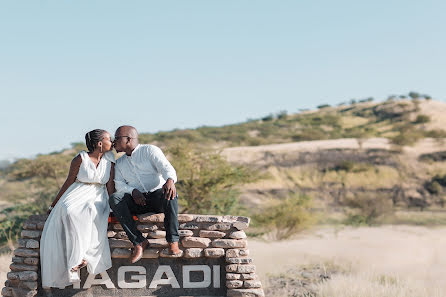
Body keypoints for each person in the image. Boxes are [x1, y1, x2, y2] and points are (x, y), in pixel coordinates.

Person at [40, 129, 115, 289]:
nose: (112, 141)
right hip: (77, 192)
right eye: (109, 139)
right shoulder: (80, 159)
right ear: (100, 143)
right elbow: (68, 182)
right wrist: (53, 204)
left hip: (99, 195)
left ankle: (84, 256)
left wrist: (115, 206)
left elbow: (110, 186)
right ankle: (77, 258)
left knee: (91, 210)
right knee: (69, 211)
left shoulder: (110, 161)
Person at [109, 125, 180, 264]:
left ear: (128, 139)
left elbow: (166, 167)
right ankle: (139, 242)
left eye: (117, 138)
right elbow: (118, 184)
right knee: (115, 198)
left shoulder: (149, 150)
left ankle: (173, 241)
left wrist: (170, 180)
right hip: (138, 202)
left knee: (170, 192)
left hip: (157, 197)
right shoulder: (119, 163)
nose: (113, 142)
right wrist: (133, 191)